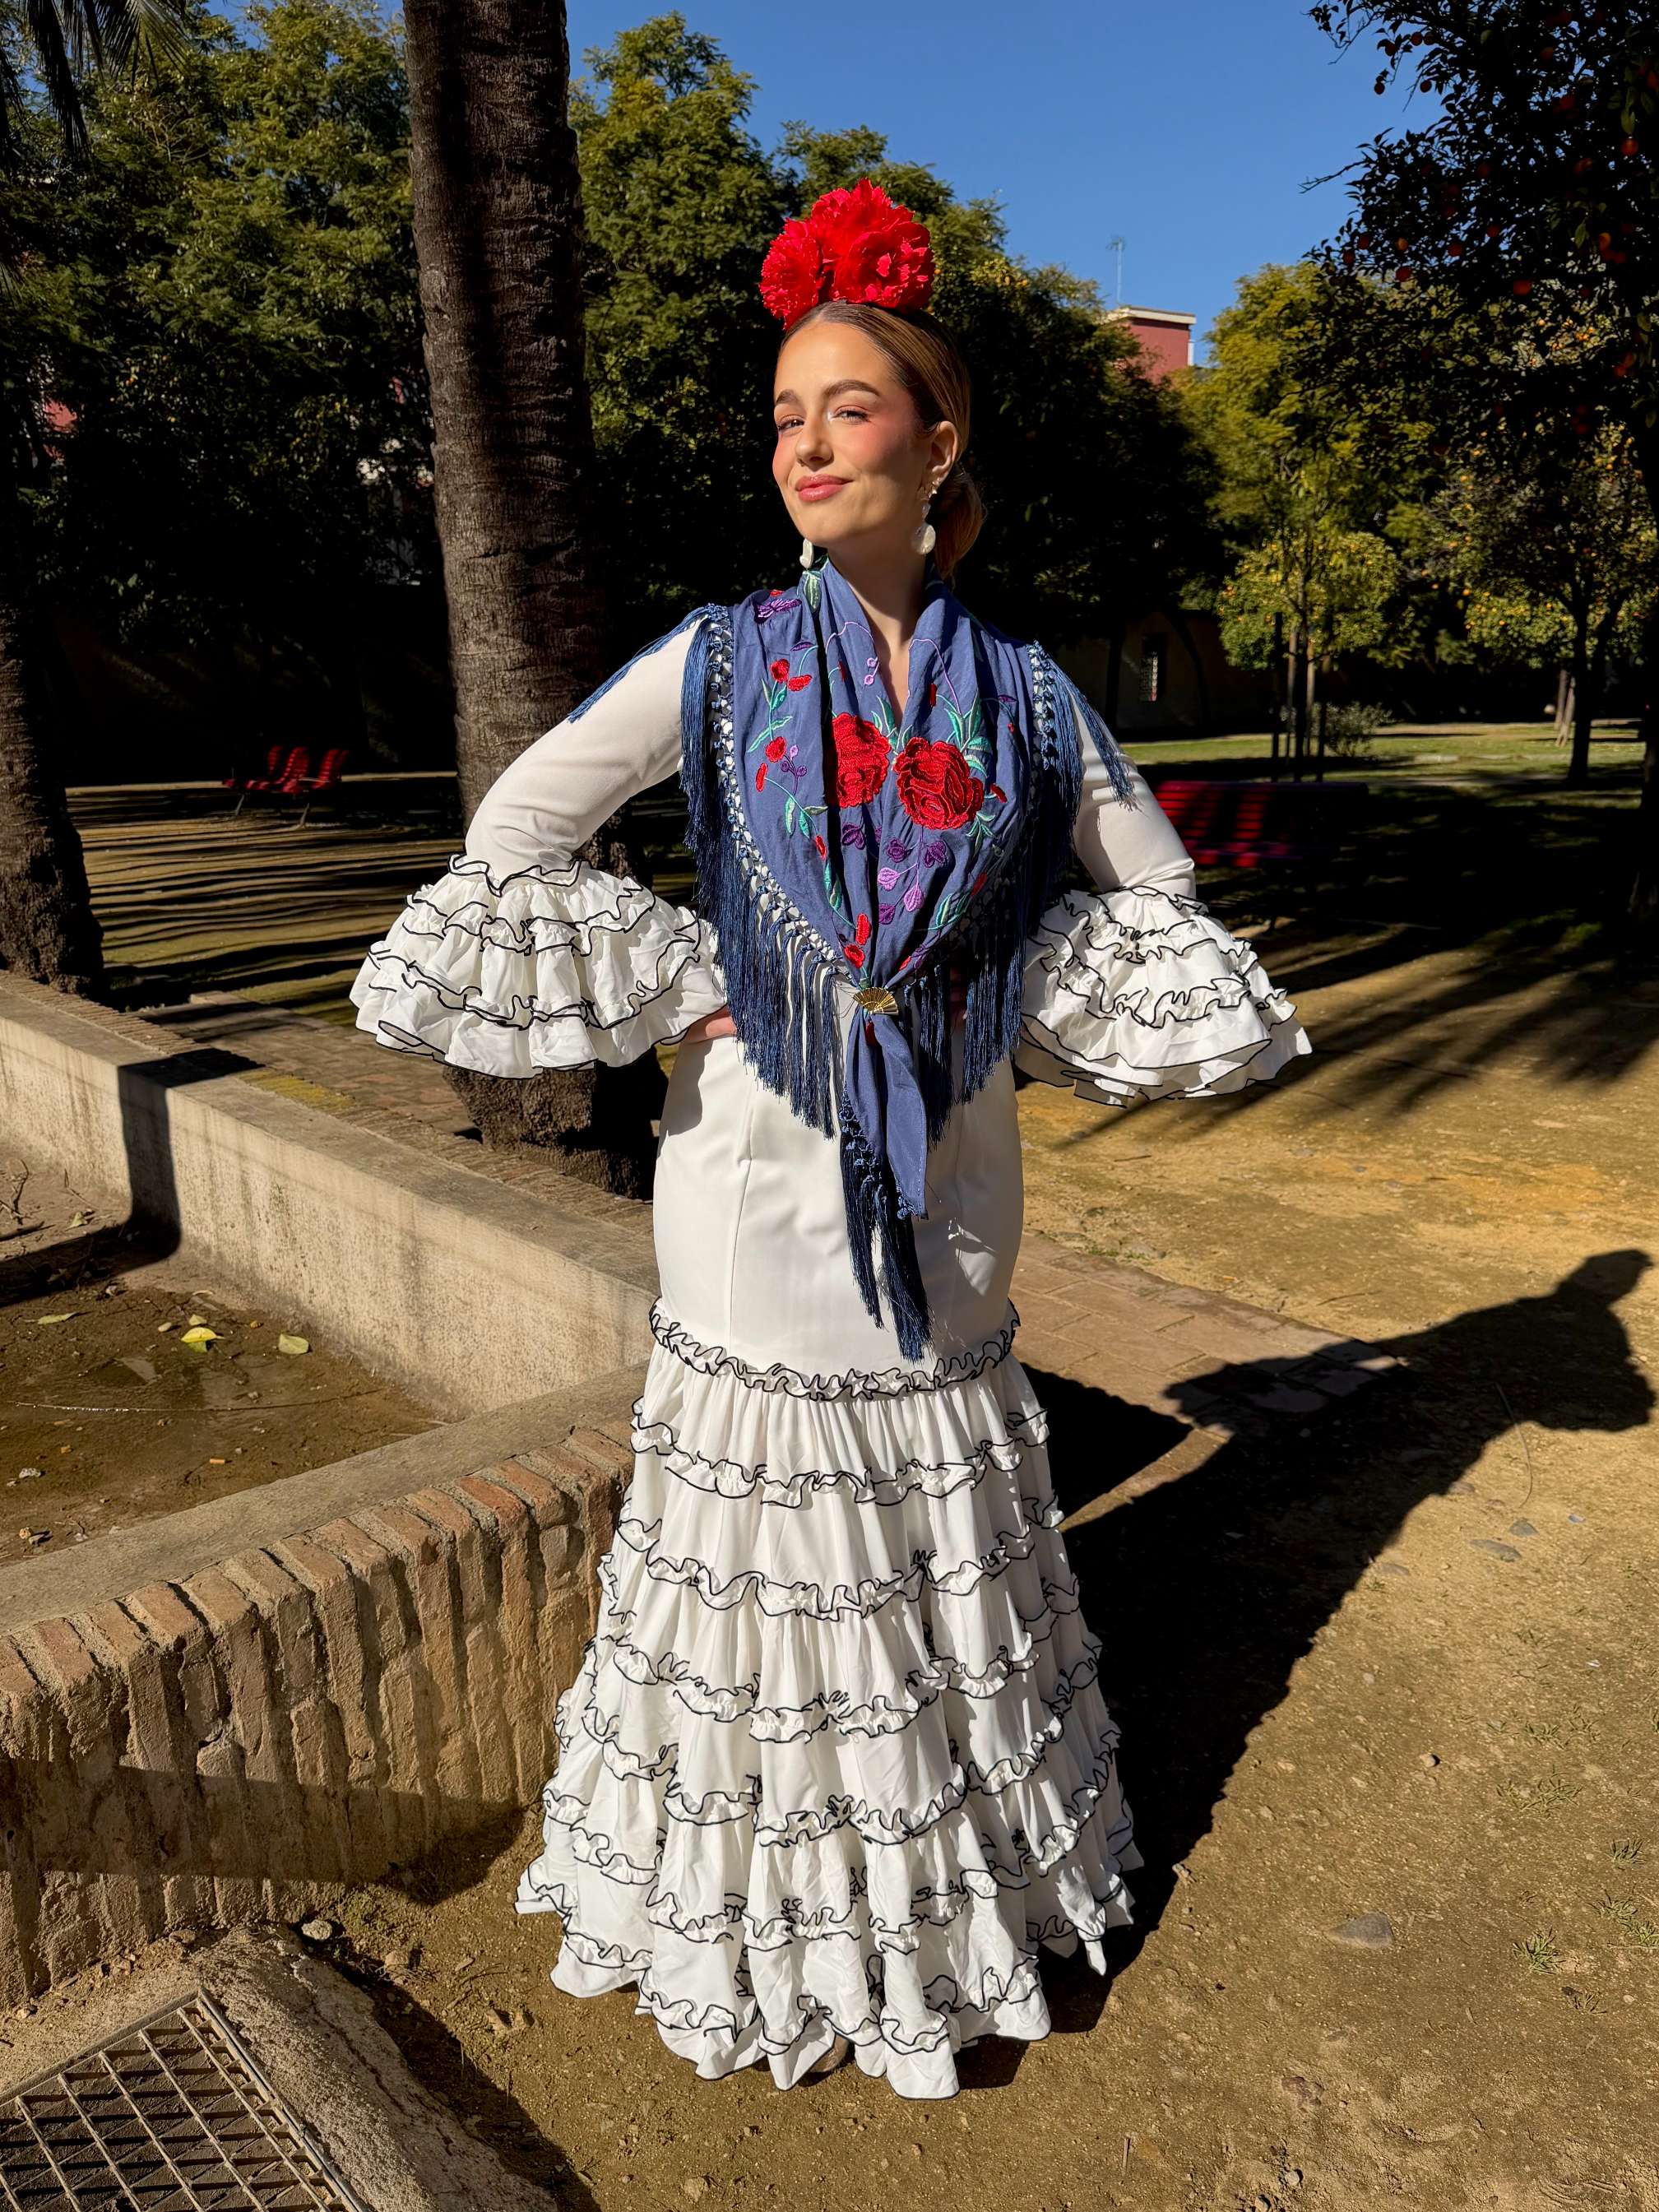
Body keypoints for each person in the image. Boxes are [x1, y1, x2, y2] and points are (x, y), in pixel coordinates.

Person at [350, 180, 1311, 2101]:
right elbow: (519, 827)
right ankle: (757, 1932)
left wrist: (992, 987)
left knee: (922, 1529)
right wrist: (704, 977)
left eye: (846, 407)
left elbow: (1151, 886)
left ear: (937, 446)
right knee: (771, 1535)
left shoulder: (1025, 691)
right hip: (752, 1174)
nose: (803, 442)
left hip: (950, 1174)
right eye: (784, 412)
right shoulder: (714, 661)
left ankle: (941, 1919)